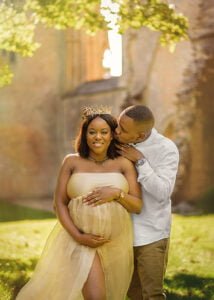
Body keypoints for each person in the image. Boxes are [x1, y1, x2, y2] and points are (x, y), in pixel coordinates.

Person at [16, 107, 142, 300]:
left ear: (111, 136)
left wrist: (117, 194)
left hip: (116, 244)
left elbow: (137, 205)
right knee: (96, 297)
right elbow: (59, 203)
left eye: (103, 132)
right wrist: (78, 236)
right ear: (85, 135)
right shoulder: (72, 162)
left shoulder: (124, 164)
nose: (97, 137)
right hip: (81, 242)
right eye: (92, 132)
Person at [84, 105, 179, 300]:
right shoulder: (117, 142)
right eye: (118, 125)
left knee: (151, 294)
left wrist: (141, 161)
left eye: (123, 130)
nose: (116, 131)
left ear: (140, 135)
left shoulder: (166, 149)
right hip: (119, 233)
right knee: (130, 293)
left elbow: (162, 192)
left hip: (151, 234)